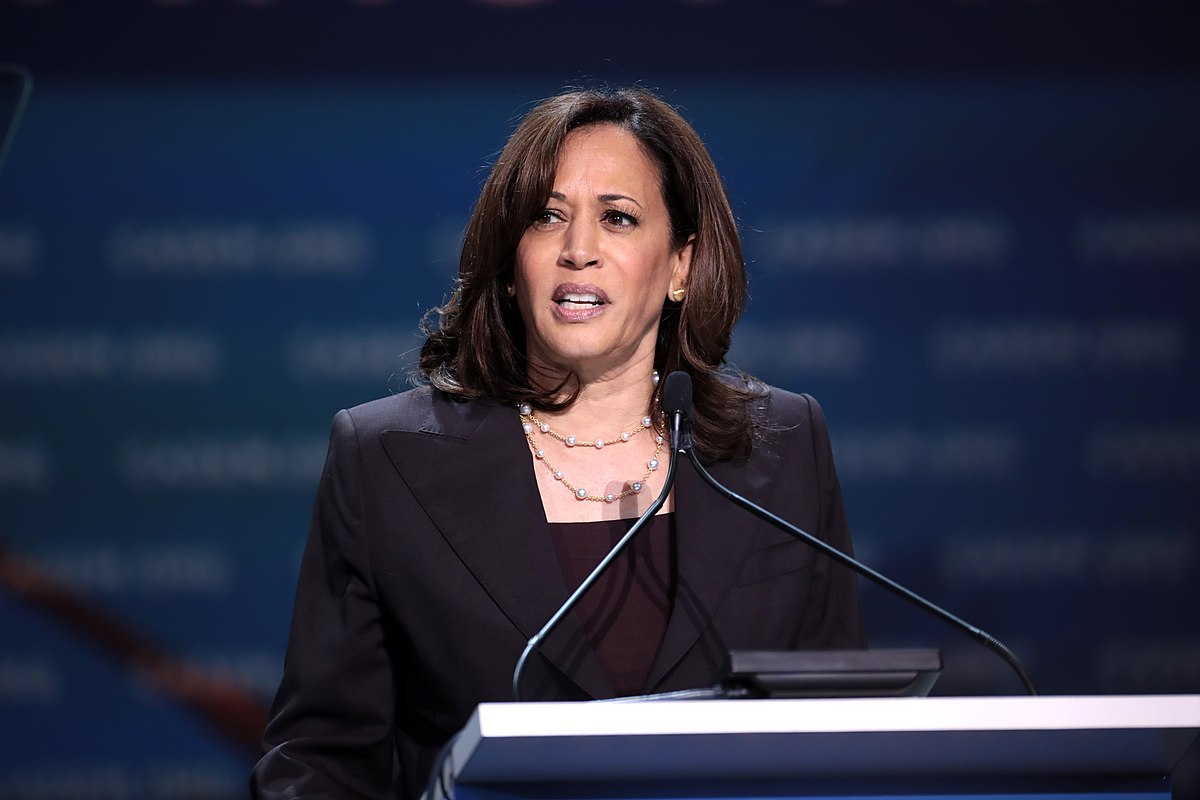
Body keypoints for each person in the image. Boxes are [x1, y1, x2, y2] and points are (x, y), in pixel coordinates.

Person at [251, 87, 865, 800]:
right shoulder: (387, 460)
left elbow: (840, 733)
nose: (580, 251)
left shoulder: (781, 448)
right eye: (548, 217)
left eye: (618, 218)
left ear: (680, 266)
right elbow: (318, 763)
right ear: (513, 262)